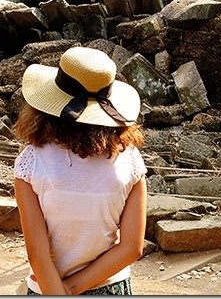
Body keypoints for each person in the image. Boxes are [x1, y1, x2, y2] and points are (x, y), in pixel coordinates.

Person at [13, 46, 147, 296]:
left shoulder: (31, 162)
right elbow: (131, 248)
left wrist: (58, 291)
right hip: (110, 286)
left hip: (45, 287)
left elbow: (37, 253)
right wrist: (73, 288)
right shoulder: (130, 161)